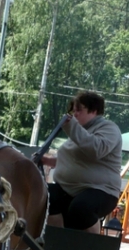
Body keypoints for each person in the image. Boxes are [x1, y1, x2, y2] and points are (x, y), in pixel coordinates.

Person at [41, 91, 122, 234]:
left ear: (94, 111)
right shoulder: (80, 132)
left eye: (79, 110)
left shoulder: (109, 128)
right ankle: (56, 242)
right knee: (44, 195)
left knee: (81, 208)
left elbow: (97, 149)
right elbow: (74, 160)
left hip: (101, 190)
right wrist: (47, 160)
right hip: (69, 188)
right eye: (73, 110)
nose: (75, 114)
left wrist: (72, 127)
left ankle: (92, 248)